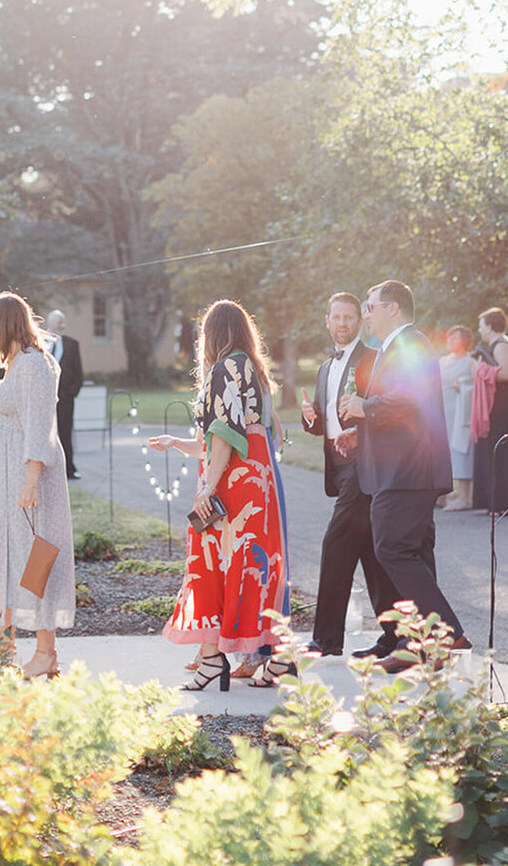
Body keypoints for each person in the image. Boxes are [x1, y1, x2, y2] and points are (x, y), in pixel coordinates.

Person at [150, 299, 287, 691]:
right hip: (257, 483)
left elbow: (224, 439)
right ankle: (277, 659)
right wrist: (178, 442)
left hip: (230, 484)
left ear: (212, 333)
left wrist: (207, 489)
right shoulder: (255, 371)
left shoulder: (225, 368)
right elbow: (222, 440)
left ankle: (212, 661)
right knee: (253, 569)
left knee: (210, 567)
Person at [340, 280, 469, 669]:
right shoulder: (392, 347)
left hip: (408, 469)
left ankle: (445, 634)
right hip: (399, 466)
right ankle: (419, 644)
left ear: (392, 308)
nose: (365, 313)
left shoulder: (410, 343)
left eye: (370, 305)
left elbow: (408, 398)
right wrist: (359, 432)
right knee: (414, 551)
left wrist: (364, 406)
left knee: (392, 549)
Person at [0, 292, 76, 677]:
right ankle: (5, 648)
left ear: (3, 323)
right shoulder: (16, 364)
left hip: (28, 480)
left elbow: (39, 425)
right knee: (9, 559)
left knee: (34, 560)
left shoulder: (33, 364)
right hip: (7, 479)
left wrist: (31, 480)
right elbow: (14, 415)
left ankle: (45, 653)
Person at [300, 292, 396, 658]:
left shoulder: (373, 360)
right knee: (371, 553)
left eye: (349, 317)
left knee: (336, 544)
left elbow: (380, 411)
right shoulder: (326, 366)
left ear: (359, 321)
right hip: (338, 471)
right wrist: (311, 419)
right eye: (336, 317)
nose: (342, 323)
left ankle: (325, 640)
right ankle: (394, 637)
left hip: (364, 466)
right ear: (327, 321)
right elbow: (327, 422)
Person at [471, 307, 508, 515]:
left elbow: (506, 373)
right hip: (495, 401)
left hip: (505, 402)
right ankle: (497, 501)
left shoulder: (502, 344)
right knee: (495, 450)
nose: (479, 330)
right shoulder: (493, 345)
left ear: (489, 326)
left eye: (481, 326)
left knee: (504, 449)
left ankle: (507, 502)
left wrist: (479, 369)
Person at [439, 326, 477, 509]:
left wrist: (462, 384)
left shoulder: (471, 361)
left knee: (462, 448)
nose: (450, 340)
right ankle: (441, 495)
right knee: (441, 450)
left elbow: (475, 385)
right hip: (443, 410)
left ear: (464, 341)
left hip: (461, 410)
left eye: (454, 338)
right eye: (449, 337)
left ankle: (464, 497)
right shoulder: (442, 360)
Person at [44, 309, 84, 479]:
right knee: (45, 433)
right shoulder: (41, 343)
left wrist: (71, 392)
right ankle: (46, 469)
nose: (60, 324)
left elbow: (78, 372)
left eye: (62, 321)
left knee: (66, 432)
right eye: (57, 321)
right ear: (49, 323)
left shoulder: (71, 344)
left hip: (65, 398)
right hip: (44, 398)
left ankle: (69, 469)